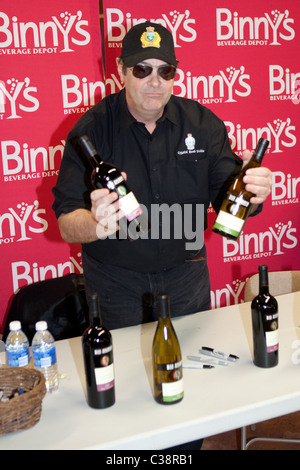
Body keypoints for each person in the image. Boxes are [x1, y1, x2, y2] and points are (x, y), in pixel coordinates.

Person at [52, 19, 272, 451]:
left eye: (165, 70)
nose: (154, 81)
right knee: (126, 398)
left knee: (189, 392)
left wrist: (252, 192)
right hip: (116, 284)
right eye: (142, 69)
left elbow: (230, 197)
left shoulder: (202, 123)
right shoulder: (90, 130)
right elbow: (65, 220)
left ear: (176, 72)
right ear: (120, 70)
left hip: (186, 280)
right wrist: (95, 224)